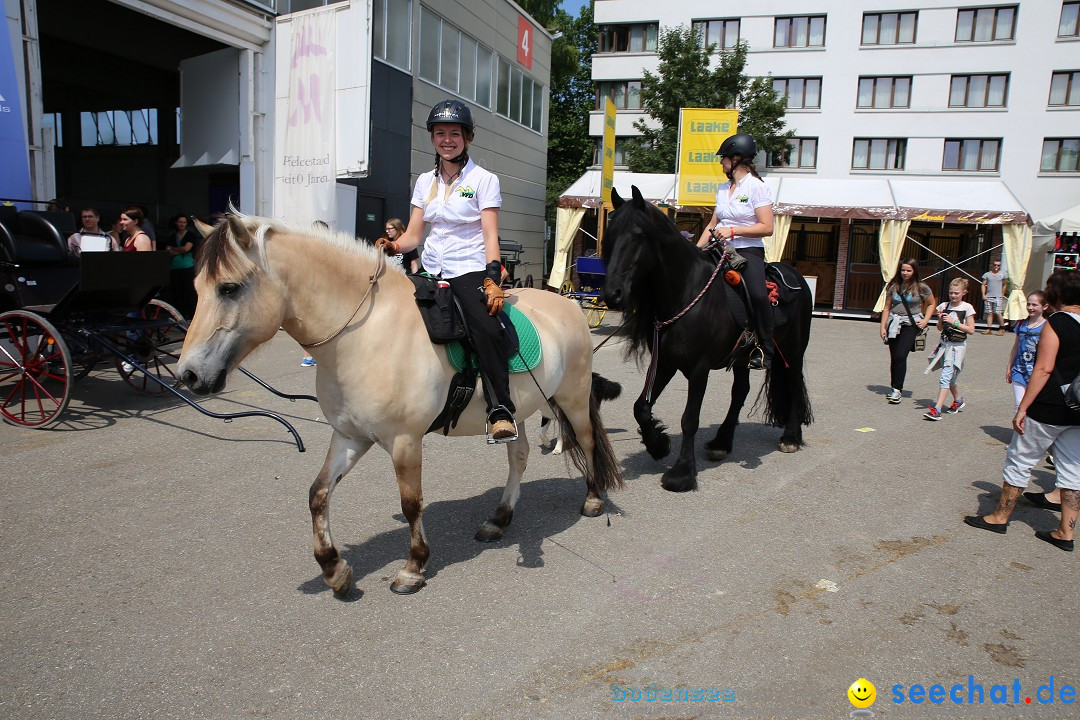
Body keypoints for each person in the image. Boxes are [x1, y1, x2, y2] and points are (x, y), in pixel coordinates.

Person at [377, 98, 517, 442]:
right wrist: (393, 246)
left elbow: (489, 232)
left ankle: (501, 408)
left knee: (486, 328)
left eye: (455, 133)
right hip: (431, 270)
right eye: (440, 133)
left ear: (468, 137)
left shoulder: (484, 180)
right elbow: (412, 235)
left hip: (468, 269)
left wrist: (493, 273)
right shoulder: (424, 181)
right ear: (433, 138)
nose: (447, 139)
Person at [964, 270, 1080, 552]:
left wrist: (1023, 407)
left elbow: (1043, 369)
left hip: (1049, 406)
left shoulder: (1057, 323)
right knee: (1073, 469)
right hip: (1078, 409)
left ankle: (1000, 516)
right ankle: (1066, 532)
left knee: (1020, 459)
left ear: (1056, 294)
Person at [696, 133, 774, 369]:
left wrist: (732, 231)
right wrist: (695, 251)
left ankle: (764, 349)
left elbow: (767, 227)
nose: (721, 162)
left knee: (759, 295)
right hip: (718, 248)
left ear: (737, 159)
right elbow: (711, 225)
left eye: (725, 158)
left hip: (747, 250)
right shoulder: (722, 188)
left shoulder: (757, 187)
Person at [879, 258, 935, 404]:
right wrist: (882, 326)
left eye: (909, 270)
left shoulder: (922, 287)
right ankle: (894, 388)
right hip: (893, 324)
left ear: (914, 271)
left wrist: (925, 320)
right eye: (903, 270)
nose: (905, 273)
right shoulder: (894, 286)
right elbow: (886, 307)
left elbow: (931, 304)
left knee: (900, 354)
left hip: (911, 324)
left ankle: (897, 389)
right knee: (894, 357)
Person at [923, 278, 976, 420]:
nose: (953, 296)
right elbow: (940, 328)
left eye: (956, 293)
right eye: (951, 293)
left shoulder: (967, 308)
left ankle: (937, 409)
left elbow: (971, 330)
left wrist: (955, 322)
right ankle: (958, 400)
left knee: (945, 377)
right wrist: (941, 319)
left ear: (964, 293)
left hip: (957, 347)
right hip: (945, 345)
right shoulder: (944, 306)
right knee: (951, 377)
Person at [1006, 292, 1048, 411]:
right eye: (1028, 304)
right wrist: (1009, 367)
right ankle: (1017, 429)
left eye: (1034, 305)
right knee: (1019, 404)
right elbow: (1015, 347)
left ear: (1044, 307)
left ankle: (1027, 429)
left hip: (1036, 372)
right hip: (1019, 370)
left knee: (1032, 406)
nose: (1030, 307)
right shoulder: (1021, 324)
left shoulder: (1047, 326)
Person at [164, 214, 199, 318]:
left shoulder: (190, 235)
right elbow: (167, 250)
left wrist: (174, 250)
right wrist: (178, 250)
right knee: (177, 293)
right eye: (180, 222)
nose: (182, 224)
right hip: (174, 268)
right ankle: (179, 316)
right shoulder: (172, 236)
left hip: (187, 267)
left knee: (190, 292)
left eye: (184, 222)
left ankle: (193, 316)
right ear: (176, 223)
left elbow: (186, 249)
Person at [981, 260, 1007, 335]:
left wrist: (1002, 293)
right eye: (995, 265)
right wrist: (983, 294)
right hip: (988, 296)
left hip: (998, 296)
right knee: (989, 312)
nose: (996, 267)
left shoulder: (1003, 275)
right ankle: (989, 329)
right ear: (992, 265)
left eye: (998, 265)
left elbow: (1004, 284)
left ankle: (1002, 328)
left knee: (998, 312)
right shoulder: (987, 274)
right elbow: (983, 284)